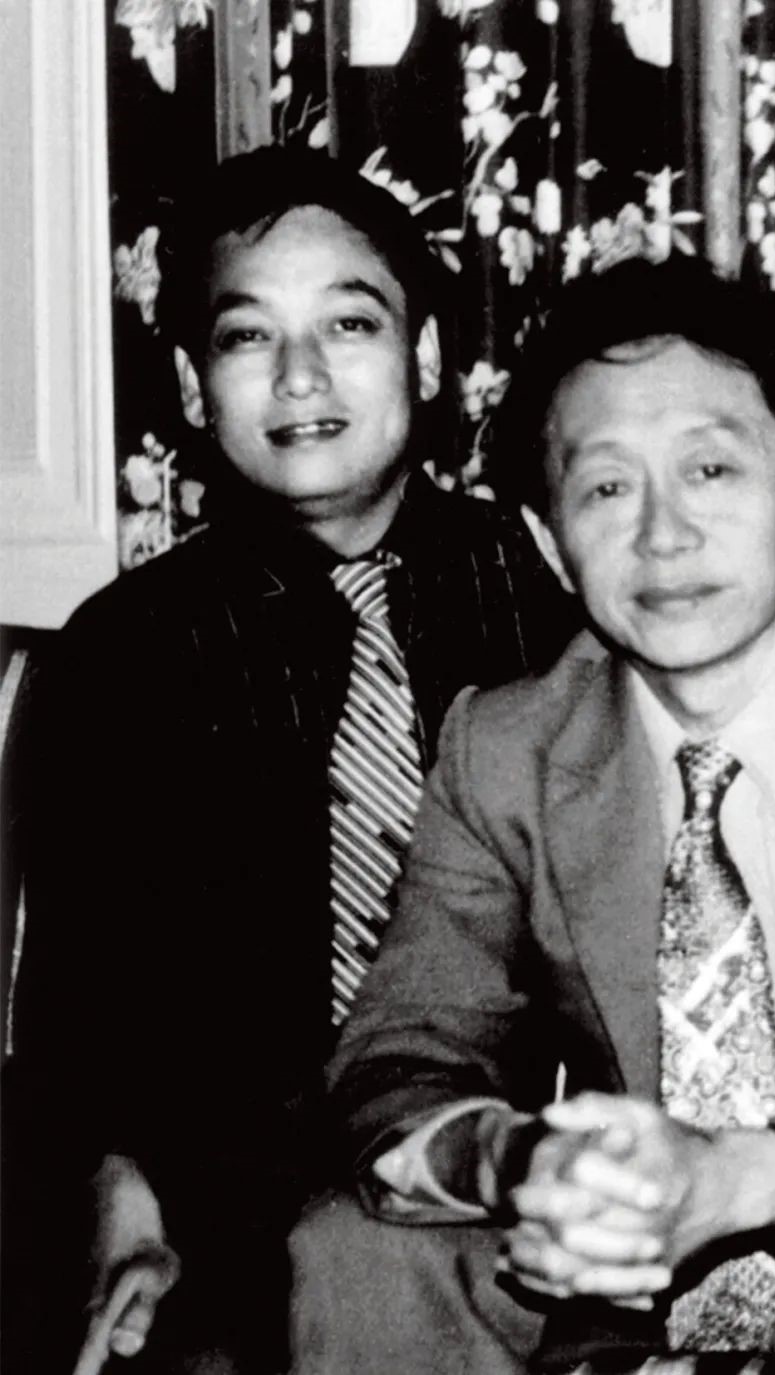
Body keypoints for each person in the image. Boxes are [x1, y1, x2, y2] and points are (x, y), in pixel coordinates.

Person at [292, 255, 775, 1375]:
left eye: (711, 468)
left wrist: (753, 1175)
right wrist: (522, 1165)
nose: (663, 534)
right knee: (353, 1249)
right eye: (608, 489)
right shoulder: (505, 747)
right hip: (616, 1282)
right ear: (548, 540)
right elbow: (397, 1051)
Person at [3, 147, 577, 1374]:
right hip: (226, 1225)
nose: (300, 375)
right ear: (191, 385)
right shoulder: (126, 656)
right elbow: (81, 1017)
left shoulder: (553, 607)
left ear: (426, 357)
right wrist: (125, 1210)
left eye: (350, 324)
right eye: (248, 336)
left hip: (520, 1200)